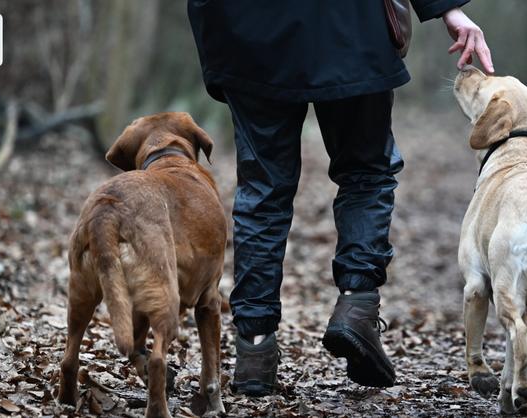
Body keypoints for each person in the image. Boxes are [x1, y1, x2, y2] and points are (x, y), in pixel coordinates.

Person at [187, 0, 494, 396]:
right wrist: (447, 9)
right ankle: (356, 306)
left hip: (250, 34)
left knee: (263, 191)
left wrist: (217, 31)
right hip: (351, 26)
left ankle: (254, 352)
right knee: (366, 173)